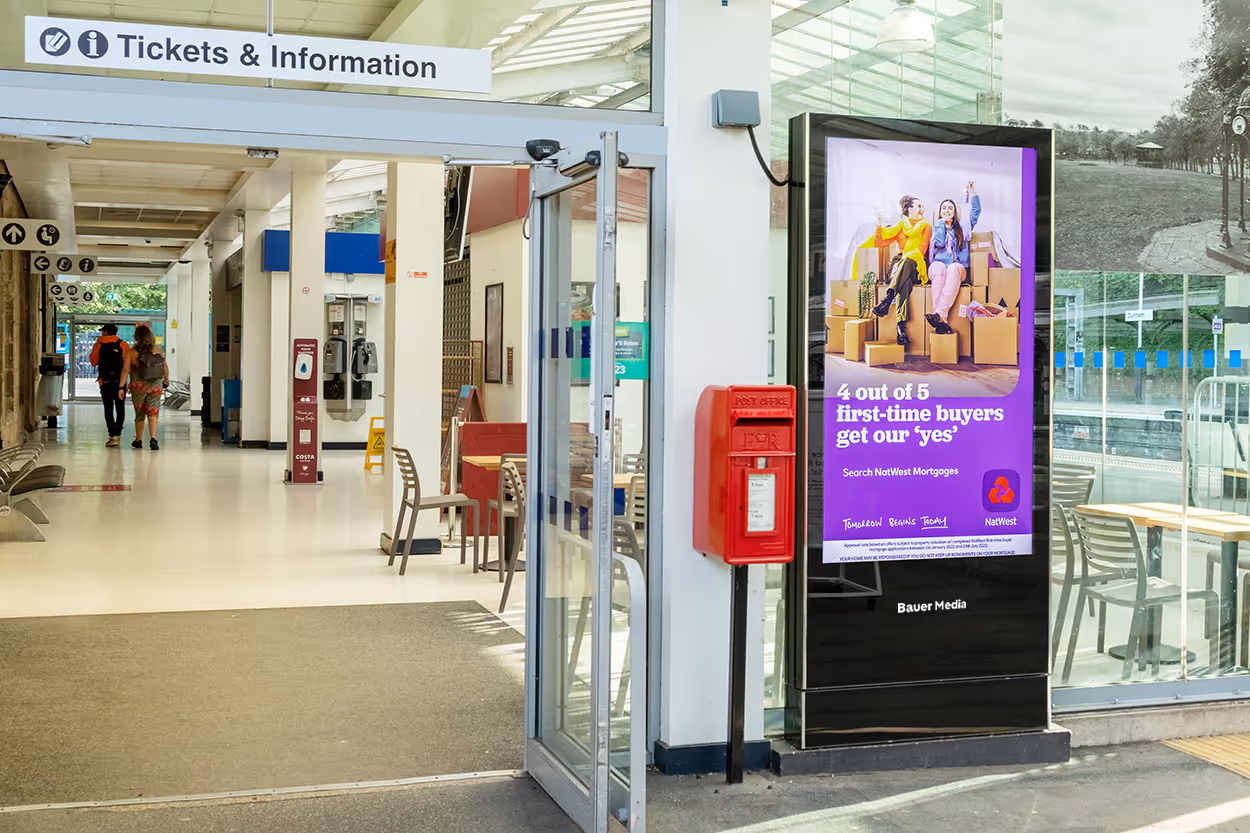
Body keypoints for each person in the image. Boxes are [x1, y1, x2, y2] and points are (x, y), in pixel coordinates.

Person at [866, 195, 932, 346]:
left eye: (922, 207)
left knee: (908, 260)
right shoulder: (900, 225)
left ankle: (887, 300)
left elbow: (920, 251)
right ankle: (901, 328)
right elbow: (880, 243)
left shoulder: (926, 226)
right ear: (910, 209)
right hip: (899, 266)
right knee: (905, 283)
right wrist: (878, 224)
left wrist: (905, 258)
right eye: (919, 206)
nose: (922, 209)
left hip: (916, 264)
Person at [924, 182, 982, 336]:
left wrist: (972, 191)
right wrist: (942, 224)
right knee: (939, 268)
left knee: (952, 268)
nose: (947, 210)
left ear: (955, 213)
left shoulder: (962, 228)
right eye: (944, 207)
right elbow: (940, 242)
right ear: (940, 212)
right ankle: (941, 320)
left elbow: (976, 211)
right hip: (938, 268)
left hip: (958, 268)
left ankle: (940, 313)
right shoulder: (935, 229)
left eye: (951, 208)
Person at [119, 324, 168, 450]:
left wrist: (121, 387)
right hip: (155, 384)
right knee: (153, 412)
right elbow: (164, 367)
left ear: (136, 337)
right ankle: (153, 439)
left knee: (140, 413)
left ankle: (138, 440)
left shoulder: (131, 352)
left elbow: (125, 370)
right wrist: (166, 380)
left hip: (138, 386)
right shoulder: (158, 350)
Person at [89, 323, 129, 447]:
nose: (101, 333)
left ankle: (112, 435)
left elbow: (93, 362)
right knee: (120, 408)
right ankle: (118, 433)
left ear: (106, 332)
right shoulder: (124, 345)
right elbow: (128, 365)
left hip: (105, 382)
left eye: (103, 331)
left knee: (108, 409)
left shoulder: (99, 344)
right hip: (120, 382)